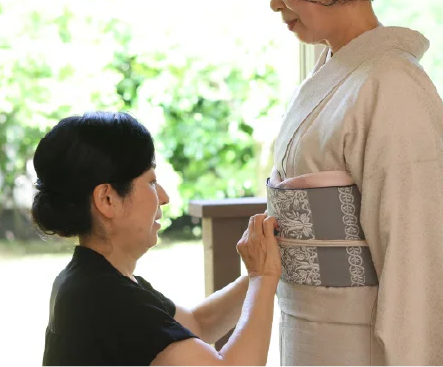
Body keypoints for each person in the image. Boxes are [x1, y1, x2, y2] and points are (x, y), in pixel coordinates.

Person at [252, 0, 443, 366]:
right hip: (309, 326)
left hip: (359, 339)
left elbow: (417, 248)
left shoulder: (392, 84)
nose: (274, 2)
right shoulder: (340, 73)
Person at [31, 111, 281, 366]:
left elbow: (199, 323)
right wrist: (264, 277)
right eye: (151, 182)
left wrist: (261, 271)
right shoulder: (107, 298)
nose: (164, 197)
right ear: (107, 199)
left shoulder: (90, 280)